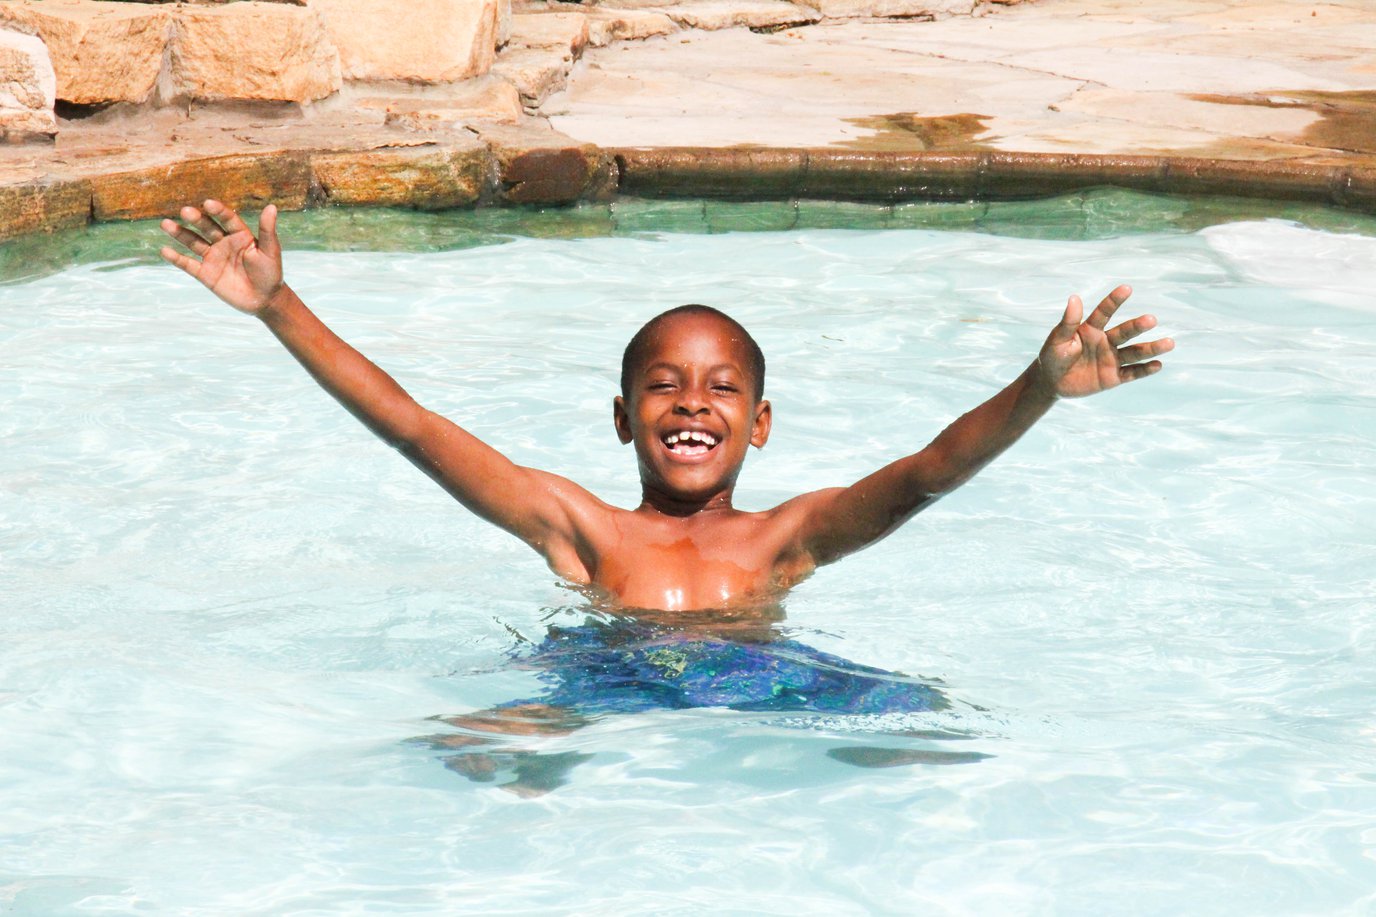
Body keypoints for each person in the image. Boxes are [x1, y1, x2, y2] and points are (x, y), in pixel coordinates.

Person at [160, 199, 1173, 792]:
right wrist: (279, 306)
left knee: (932, 727)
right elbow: (413, 425)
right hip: (604, 678)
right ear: (620, 417)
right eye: (663, 384)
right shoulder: (582, 529)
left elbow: (926, 471)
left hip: (765, 677)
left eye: (721, 386)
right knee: (470, 747)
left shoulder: (787, 536)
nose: (691, 401)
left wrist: (1038, 386)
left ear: (760, 422)